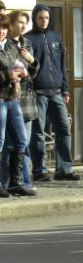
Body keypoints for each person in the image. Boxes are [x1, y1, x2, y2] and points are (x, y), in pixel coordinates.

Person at [26, 4, 80, 181]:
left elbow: (62, 67)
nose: (44, 21)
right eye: (40, 18)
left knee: (64, 130)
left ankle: (64, 169)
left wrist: (65, 89)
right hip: (37, 93)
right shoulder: (28, 39)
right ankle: (40, 170)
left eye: (47, 18)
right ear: (35, 19)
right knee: (38, 133)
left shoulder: (56, 38)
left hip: (57, 92)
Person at [1, 11, 41, 194]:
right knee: (2, 142)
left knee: (22, 140)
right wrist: (6, 75)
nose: (2, 31)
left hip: (15, 98)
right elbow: (6, 71)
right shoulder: (8, 45)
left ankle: (16, 183)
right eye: (19, 22)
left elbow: (26, 71)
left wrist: (27, 69)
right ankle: (6, 182)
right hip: (2, 98)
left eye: (3, 27)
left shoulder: (12, 47)